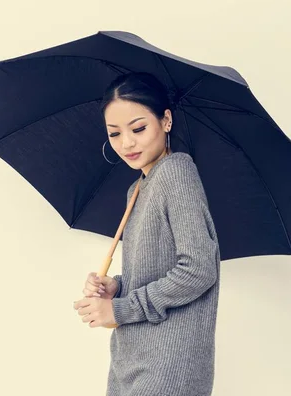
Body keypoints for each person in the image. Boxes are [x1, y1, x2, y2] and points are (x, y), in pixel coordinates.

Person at [72, 72, 221, 395]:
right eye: (114, 134)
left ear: (166, 120)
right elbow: (155, 270)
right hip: (131, 359)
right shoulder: (137, 189)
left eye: (138, 128)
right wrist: (117, 287)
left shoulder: (177, 172)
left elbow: (198, 269)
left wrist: (121, 309)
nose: (127, 143)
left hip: (167, 365)